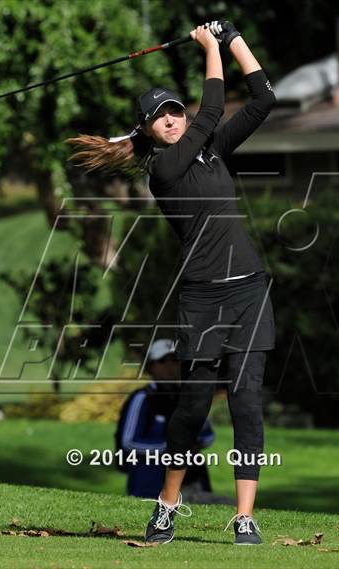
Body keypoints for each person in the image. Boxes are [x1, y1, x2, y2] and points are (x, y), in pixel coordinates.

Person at [66, 20, 276, 546]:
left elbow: (263, 98)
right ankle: (166, 505)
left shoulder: (208, 150)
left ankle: (244, 518)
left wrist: (232, 40)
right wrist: (209, 48)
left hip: (250, 289)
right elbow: (211, 109)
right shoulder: (163, 169)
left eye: (174, 111)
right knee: (193, 405)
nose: (173, 121)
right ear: (148, 131)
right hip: (203, 297)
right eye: (162, 118)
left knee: (247, 401)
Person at [114, 338, 216, 500]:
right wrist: (169, 448)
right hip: (150, 484)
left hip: (193, 481)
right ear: (151, 367)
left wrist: (195, 443)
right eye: (162, 361)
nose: (170, 367)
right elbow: (128, 442)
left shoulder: (188, 397)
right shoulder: (142, 398)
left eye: (174, 361)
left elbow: (208, 434)